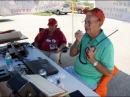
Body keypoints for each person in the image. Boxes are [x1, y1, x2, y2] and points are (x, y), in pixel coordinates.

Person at [66, 8, 114, 90]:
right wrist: (77, 41)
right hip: (73, 71)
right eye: (85, 22)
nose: (85, 25)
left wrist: (93, 60)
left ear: (100, 23)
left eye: (89, 22)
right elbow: (72, 54)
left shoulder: (107, 45)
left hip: (87, 81)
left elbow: (109, 73)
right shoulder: (85, 36)